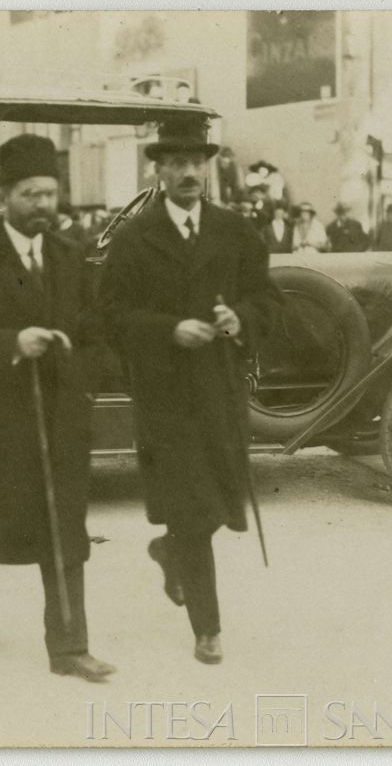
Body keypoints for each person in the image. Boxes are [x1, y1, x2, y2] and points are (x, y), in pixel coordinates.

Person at [0, 134, 114, 683]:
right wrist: (13, 342)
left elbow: (99, 332)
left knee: (64, 529)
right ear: (5, 196)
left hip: (58, 420)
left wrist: (83, 372)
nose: (42, 205)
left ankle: (69, 647)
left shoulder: (71, 255)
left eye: (50, 193)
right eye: (30, 194)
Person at [99, 114, 280, 666]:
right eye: (175, 163)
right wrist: (165, 329)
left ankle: (169, 551)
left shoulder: (235, 231)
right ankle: (208, 628)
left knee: (214, 505)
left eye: (195, 162)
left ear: (207, 167)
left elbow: (270, 301)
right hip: (165, 395)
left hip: (220, 391)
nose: (188, 173)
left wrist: (239, 318)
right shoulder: (133, 238)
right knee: (192, 511)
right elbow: (110, 315)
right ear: (157, 171)